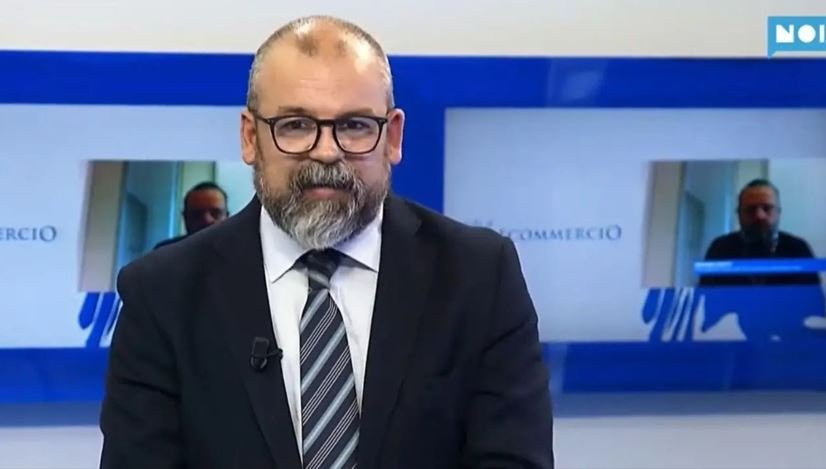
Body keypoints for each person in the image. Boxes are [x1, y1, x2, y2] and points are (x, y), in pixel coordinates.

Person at [100, 15, 554, 469]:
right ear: (250, 137)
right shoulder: (163, 293)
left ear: (392, 137)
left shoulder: (478, 276)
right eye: (295, 125)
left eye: (354, 125)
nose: (325, 151)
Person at [698, 178, 821, 287]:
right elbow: (706, 299)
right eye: (750, 209)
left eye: (767, 208)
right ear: (739, 214)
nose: (759, 216)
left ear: (778, 213)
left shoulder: (799, 249)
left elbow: (812, 301)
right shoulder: (719, 249)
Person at [153, 181, 229, 249]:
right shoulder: (163, 252)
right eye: (197, 214)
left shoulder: (236, 252)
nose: (207, 220)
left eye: (216, 213)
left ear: (227, 217)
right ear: (185, 218)